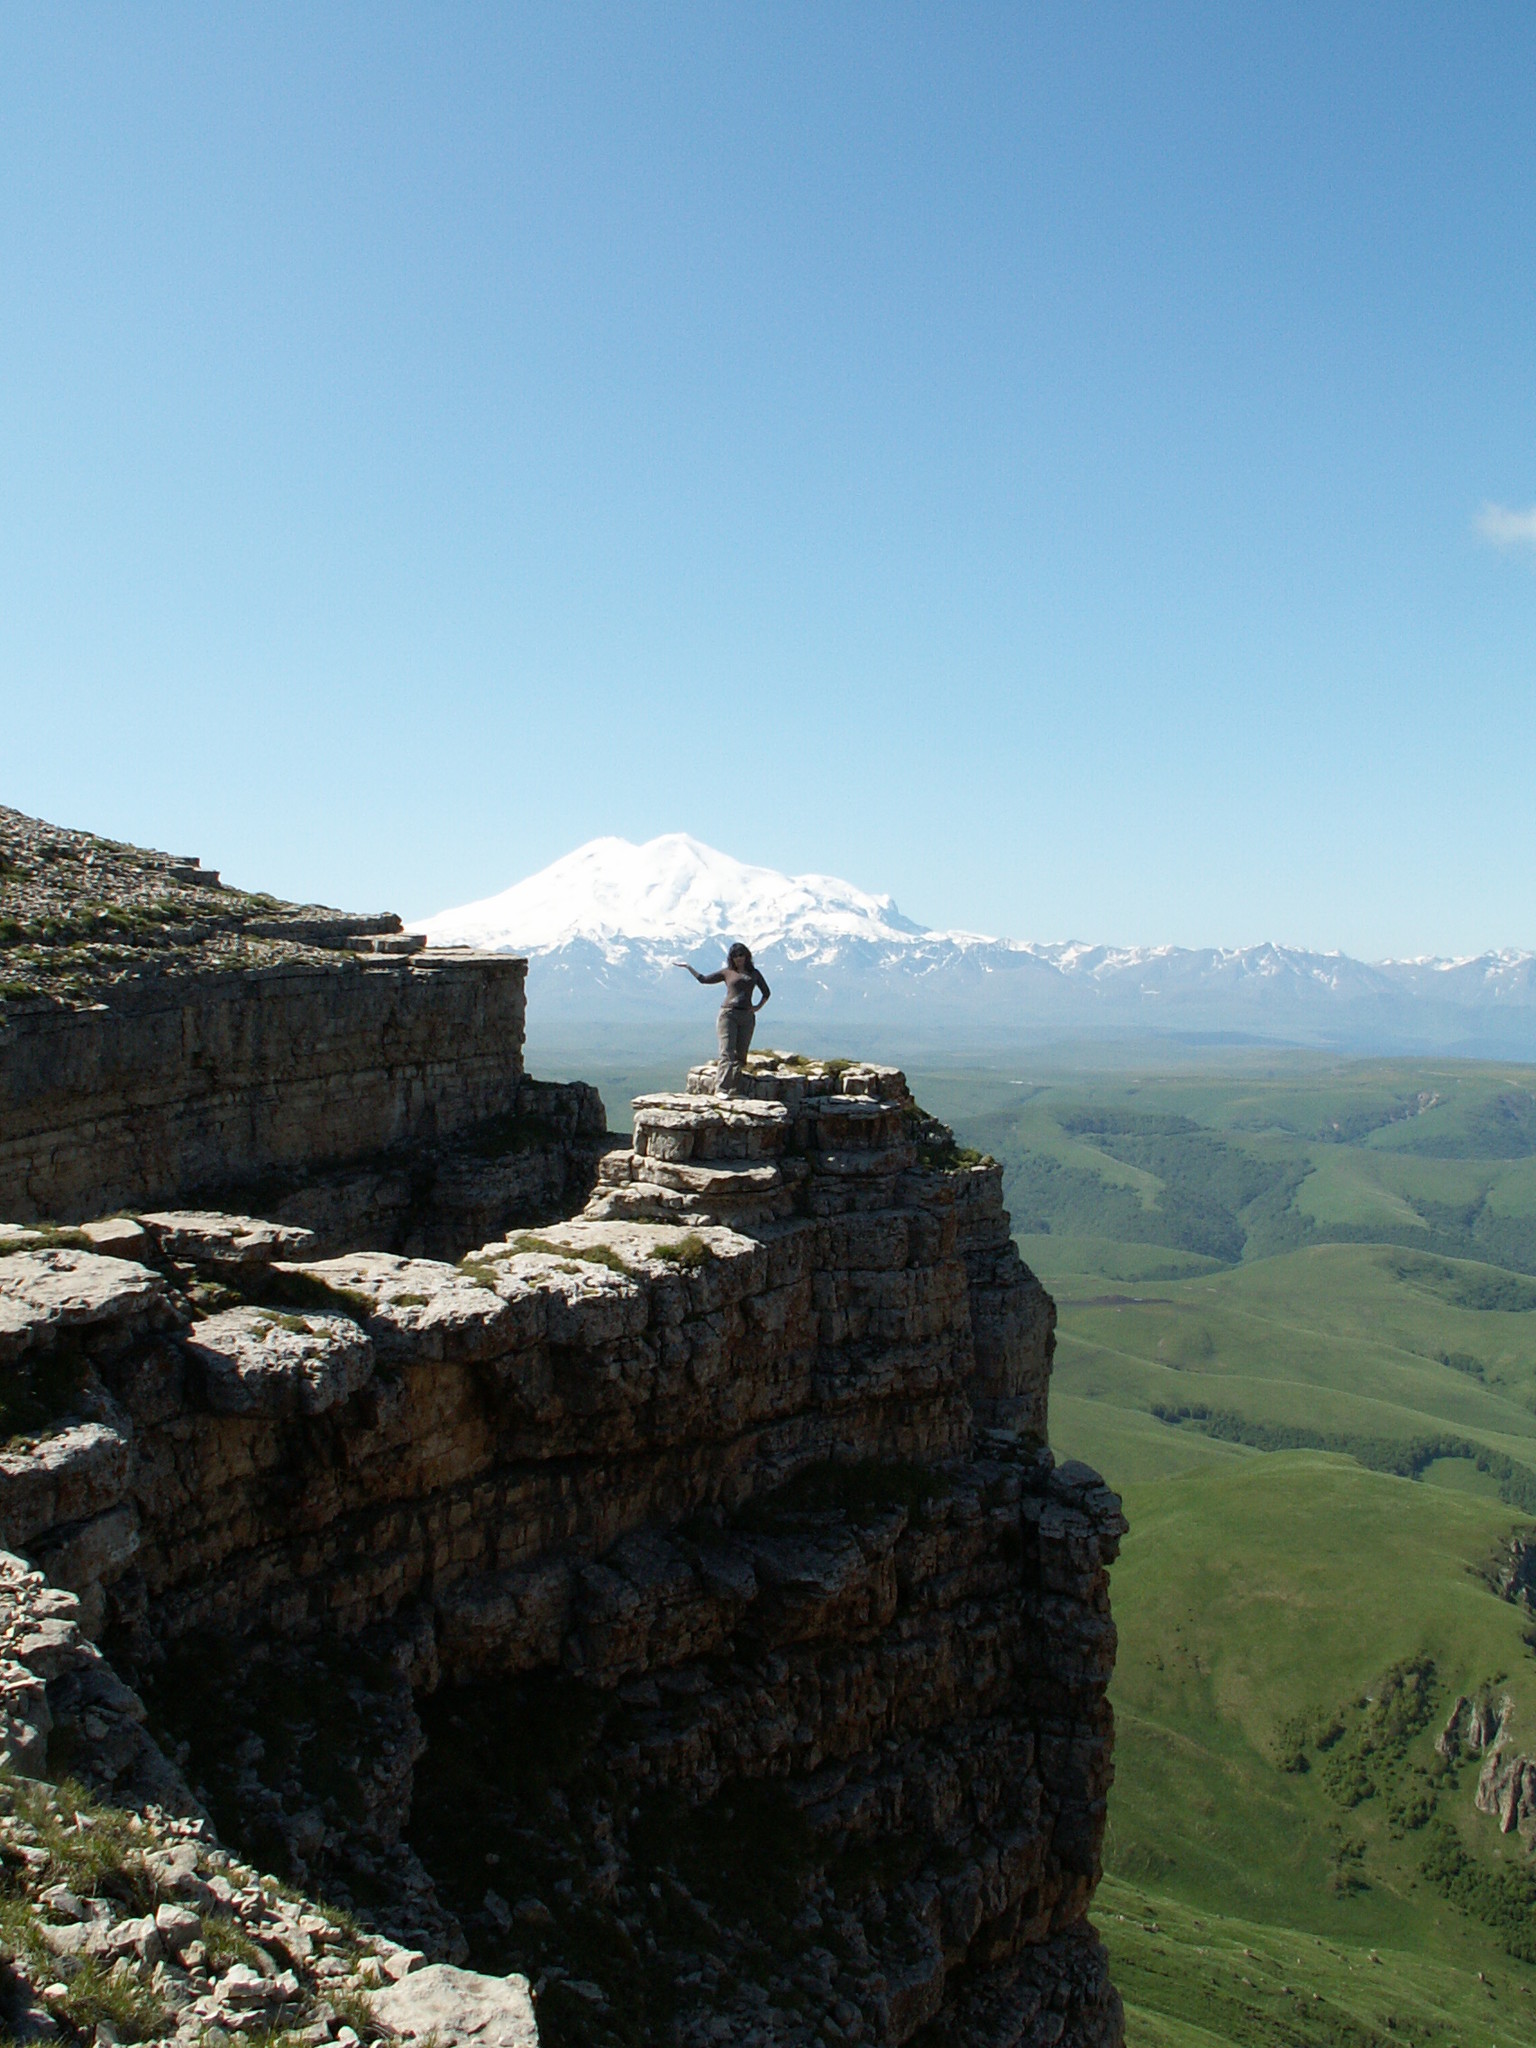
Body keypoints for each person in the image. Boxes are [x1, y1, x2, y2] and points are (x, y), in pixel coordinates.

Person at [675, 943, 772, 1095]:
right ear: (731, 958)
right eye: (735, 956)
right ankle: (722, 1089)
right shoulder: (727, 972)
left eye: (741, 955)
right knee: (727, 1052)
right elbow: (704, 979)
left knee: (741, 1055)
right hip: (728, 1014)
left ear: (746, 956)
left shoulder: (755, 974)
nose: (738, 958)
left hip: (747, 1016)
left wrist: (757, 1007)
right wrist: (689, 967)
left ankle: (733, 1088)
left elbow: (766, 992)